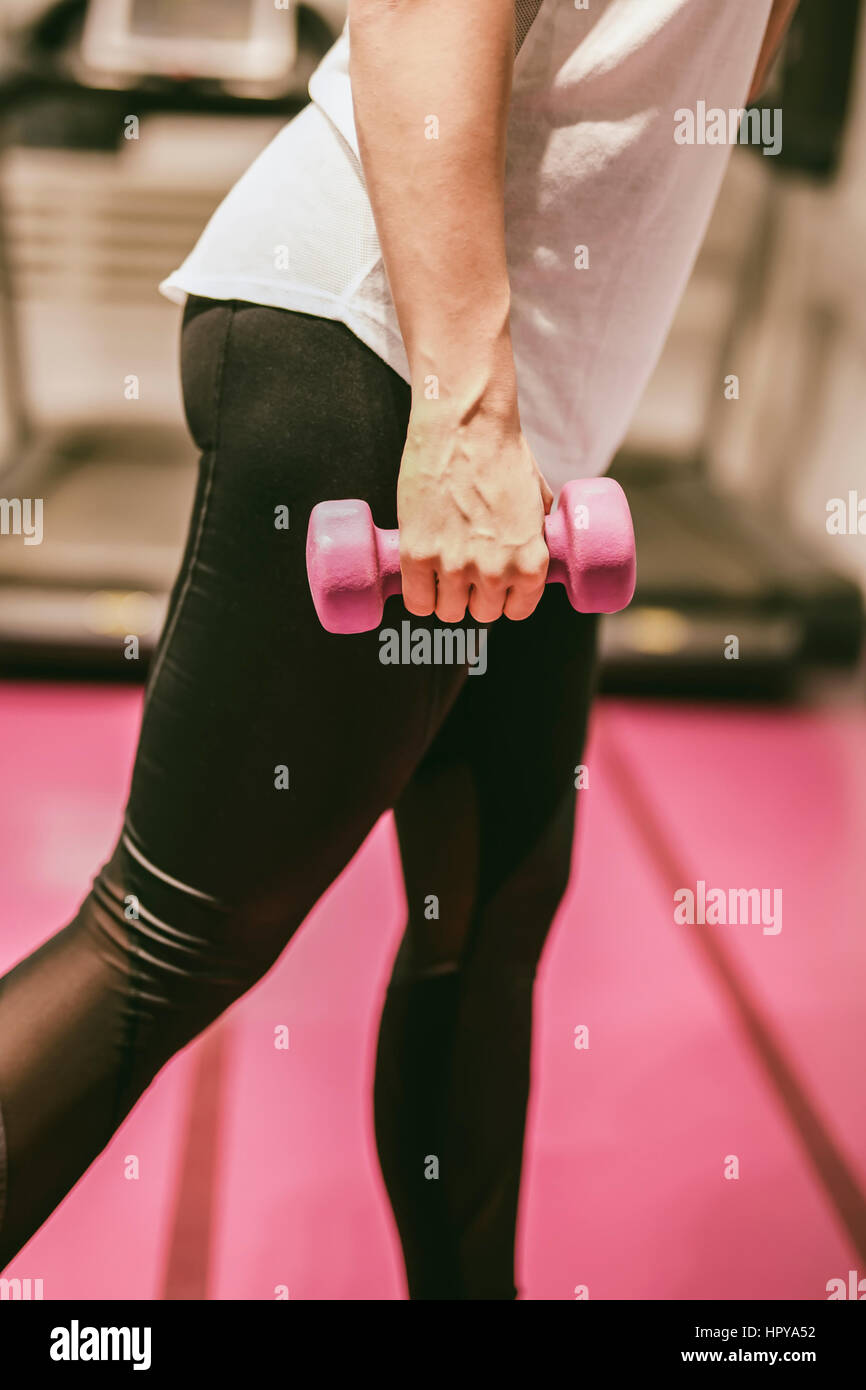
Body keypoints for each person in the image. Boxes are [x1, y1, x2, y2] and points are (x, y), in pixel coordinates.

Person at [0, 0, 797, 1296]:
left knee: (484, 923)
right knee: (159, 941)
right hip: (393, 365)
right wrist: (465, 422)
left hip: (527, 423)